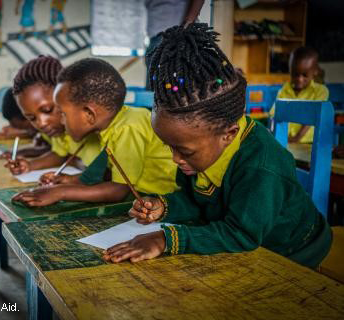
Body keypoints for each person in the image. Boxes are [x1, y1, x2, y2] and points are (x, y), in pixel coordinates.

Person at [103, 24, 332, 269]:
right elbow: (198, 202)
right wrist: (164, 206)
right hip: (249, 243)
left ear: (229, 135)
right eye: (169, 147)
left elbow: (241, 234)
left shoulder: (260, 167)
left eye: (184, 151)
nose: (175, 159)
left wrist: (166, 239)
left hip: (294, 251)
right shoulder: (199, 150)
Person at [12, 58, 178, 207]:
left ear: (90, 114)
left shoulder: (126, 128)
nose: (61, 121)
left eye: (63, 113)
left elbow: (118, 190)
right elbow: (106, 172)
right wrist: (73, 180)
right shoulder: (108, 127)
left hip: (169, 202)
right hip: (146, 199)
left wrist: (60, 192)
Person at [5, 56, 101, 176]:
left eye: (47, 110)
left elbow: (109, 177)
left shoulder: (99, 126)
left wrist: (73, 180)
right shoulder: (60, 130)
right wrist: (29, 165)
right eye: (31, 118)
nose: (41, 123)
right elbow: (59, 154)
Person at [275, 47, 329, 143]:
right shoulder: (283, 91)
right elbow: (275, 115)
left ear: (315, 71)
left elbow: (313, 116)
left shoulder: (321, 91)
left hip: (310, 144)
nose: (299, 79)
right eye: (295, 74)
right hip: (286, 141)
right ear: (290, 70)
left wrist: (297, 138)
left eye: (305, 75)